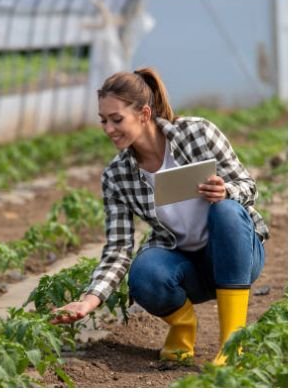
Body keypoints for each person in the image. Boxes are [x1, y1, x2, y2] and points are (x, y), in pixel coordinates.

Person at [51, 67, 267, 365]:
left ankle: (232, 344)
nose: (108, 129)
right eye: (103, 121)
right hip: (185, 266)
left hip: (236, 257)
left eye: (117, 119)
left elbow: (249, 187)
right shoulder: (116, 176)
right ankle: (183, 327)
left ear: (144, 113)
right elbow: (118, 247)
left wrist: (226, 191)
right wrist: (89, 299)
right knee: (144, 274)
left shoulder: (198, 134)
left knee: (227, 211)